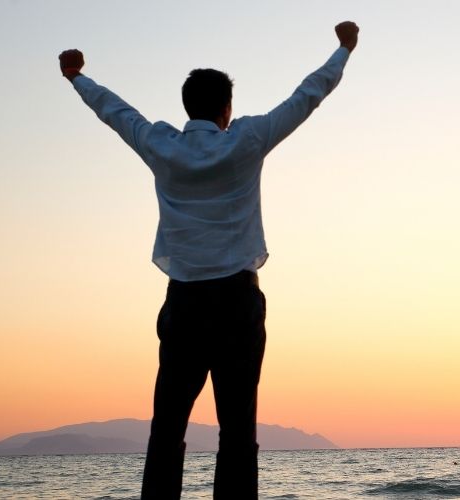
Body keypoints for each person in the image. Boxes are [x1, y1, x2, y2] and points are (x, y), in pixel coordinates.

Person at [58, 21, 359, 499]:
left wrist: (76, 76)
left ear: (186, 107)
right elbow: (307, 96)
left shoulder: (161, 144)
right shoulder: (247, 140)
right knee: (237, 427)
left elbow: (115, 111)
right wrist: (344, 49)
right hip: (238, 301)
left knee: (168, 427)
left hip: (185, 304)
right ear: (227, 108)